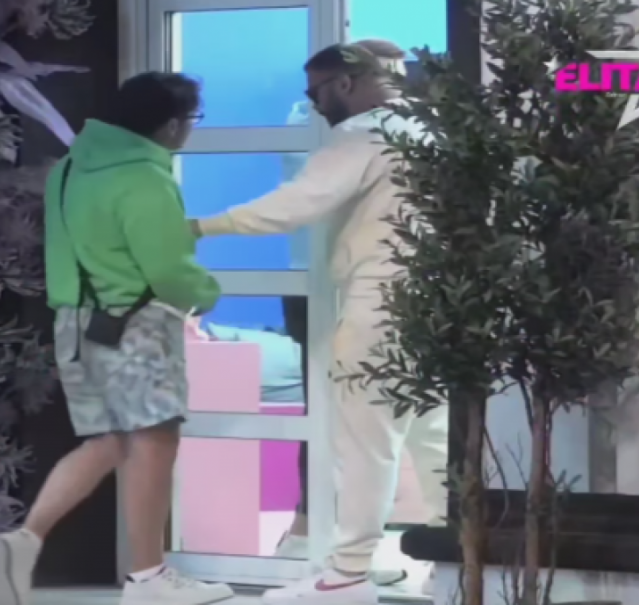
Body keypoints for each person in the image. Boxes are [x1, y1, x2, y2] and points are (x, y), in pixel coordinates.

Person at [189, 40, 449, 605]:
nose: (312, 106)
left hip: (377, 301)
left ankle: (348, 575)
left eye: (316, 93)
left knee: (363, 442)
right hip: (434, 303)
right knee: (435, 438)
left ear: (346, 83)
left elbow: (295, 205)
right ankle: (456, 559)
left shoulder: (361, 135)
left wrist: (202, 226)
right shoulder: (430, 131)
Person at [0, 72, 233, 605]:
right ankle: (148, 578)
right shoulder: (145, 177)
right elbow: (168, 269)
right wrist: (205, 294)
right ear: (171, 124)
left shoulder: (70, 168)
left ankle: (25, 538)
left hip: (75, 326)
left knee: (108, 442)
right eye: (191, 120)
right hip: (134, 326)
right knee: (154, 442)